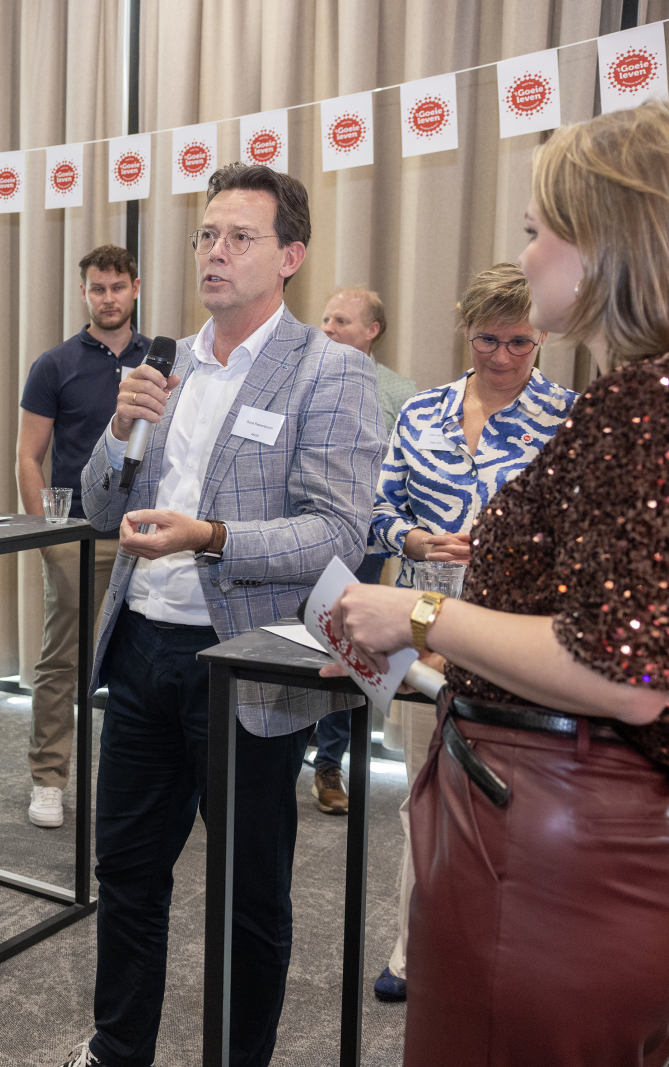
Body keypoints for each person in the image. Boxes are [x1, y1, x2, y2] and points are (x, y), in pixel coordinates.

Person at [323, 102, 669, 1065]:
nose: (524, 255)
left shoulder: (629, 408)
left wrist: (418, 610)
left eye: (534, 229)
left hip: (556, 839)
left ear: (600, 244)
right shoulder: (636, 400)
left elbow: (625, 674)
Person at [58, 163, 383, 1067]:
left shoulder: (331, 371)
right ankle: (117, 1048)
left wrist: (211, 536)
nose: (215, 251)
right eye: (206, 234)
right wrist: (117, 432)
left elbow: (337, 532)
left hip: (247, 662)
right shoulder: (164, 363)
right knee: (126, 869)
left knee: (248, 893)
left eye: (240, 237)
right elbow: (97, 508)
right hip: (140, 650)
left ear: (290, 256)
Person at [361, 262, 576, 1004]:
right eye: (488, 339)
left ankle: (513, 961)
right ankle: (409, 948)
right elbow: (379, 510)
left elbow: (584, 538)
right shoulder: (422, 412)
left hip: (519, 637)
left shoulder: (570, 417)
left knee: (518, 804)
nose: (503, 356)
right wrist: (415, 540)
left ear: (541, 337)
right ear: (466, 330)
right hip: (425, 634)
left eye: (520, 342)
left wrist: (508, 550)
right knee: (424, 795)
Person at [18, 244, 151, 829]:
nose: (108, 298)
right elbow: (29, 456)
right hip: (78, 535)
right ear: (84, 293)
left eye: (118, 287)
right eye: (98, 288)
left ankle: (143, 783)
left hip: (150, 536)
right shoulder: (54, 365)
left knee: (145, 661)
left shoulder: (164, 359)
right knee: (63, 661)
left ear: (135, 288)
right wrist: (45, 536)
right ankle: (48, 779)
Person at [307, 287, 418, 814]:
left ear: (372, 330)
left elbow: (403, 481)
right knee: (290, 648)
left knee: (350, 653)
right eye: (326, 318)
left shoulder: (401, 394)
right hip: (300, 535)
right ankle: (277, 758)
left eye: (342, 320)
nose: (328, 328)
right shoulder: (301, 376)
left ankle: (329, 764)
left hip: (363, 544)